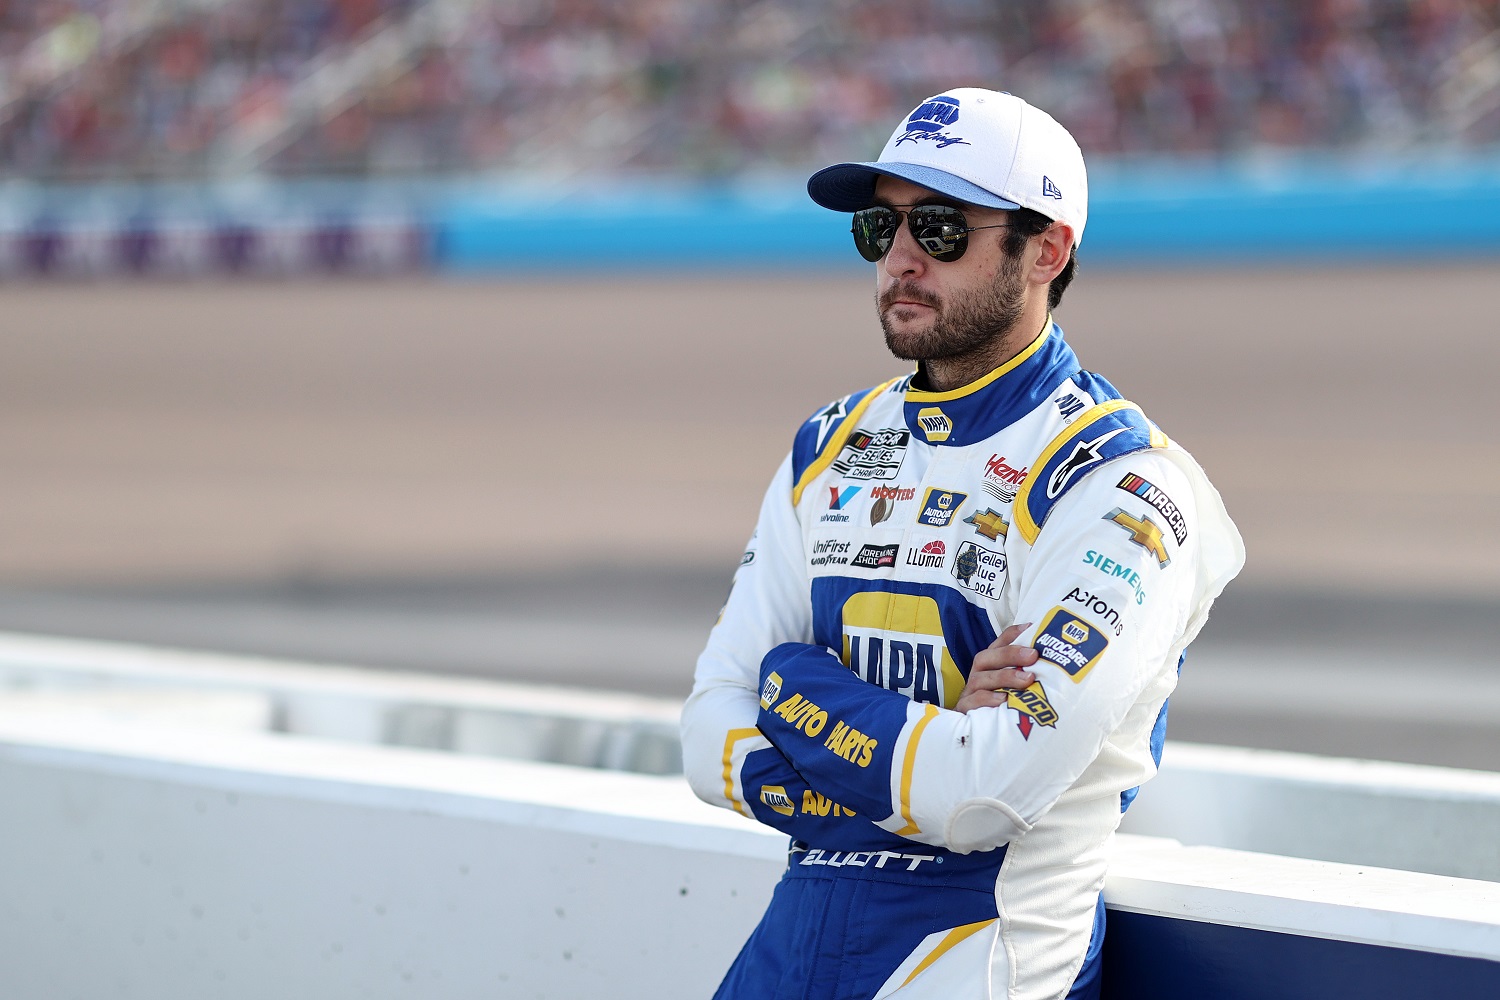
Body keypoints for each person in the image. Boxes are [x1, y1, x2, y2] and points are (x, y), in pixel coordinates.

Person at [680, 88, 1244, 1000]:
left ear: (1047, 249)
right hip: (785, 955)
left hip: (975, 961)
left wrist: (799, 690)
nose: (900, 258)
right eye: (879, 228)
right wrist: (920, 756)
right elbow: (708, 728)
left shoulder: (1121, 484)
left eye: (940, 227)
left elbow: (985, 795)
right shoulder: (830, 446)